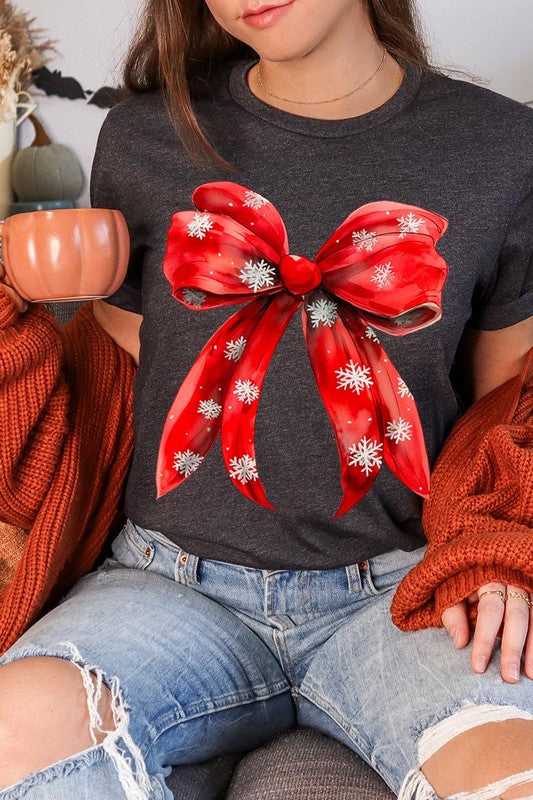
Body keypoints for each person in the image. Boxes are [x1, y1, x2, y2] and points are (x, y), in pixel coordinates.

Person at [0, 1, 532, 798]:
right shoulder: (144, 136)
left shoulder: (503, 145)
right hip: (166, 586)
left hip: (397, 591)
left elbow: (511, 404)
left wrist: (497, 544)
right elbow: (122, 364)